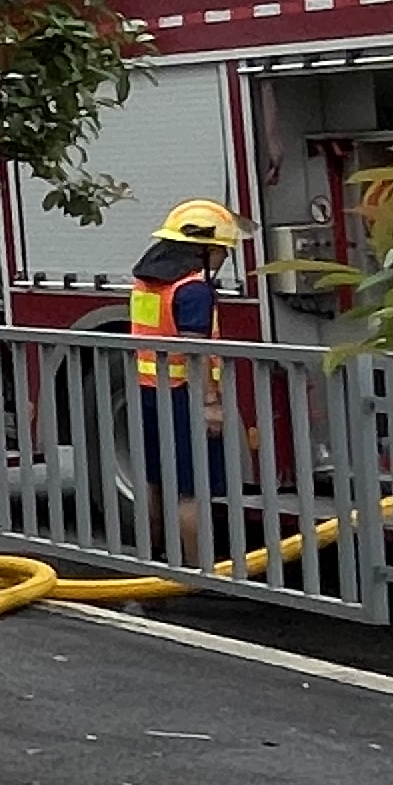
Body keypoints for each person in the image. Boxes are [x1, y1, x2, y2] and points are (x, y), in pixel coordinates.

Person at [129, 196, 239, 564]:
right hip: (184, 396)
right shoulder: (192, 290)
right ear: (204, 250)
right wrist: (211, 405)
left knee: (155, 480)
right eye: (222, 251)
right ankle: (200, 570)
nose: (224, 259)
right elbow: (195, 353)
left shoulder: (148, 283)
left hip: (149, 392)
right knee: (192, 491)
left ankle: (154, 557)